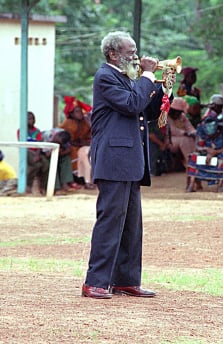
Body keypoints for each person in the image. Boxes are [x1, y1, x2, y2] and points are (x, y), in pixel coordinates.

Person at [82, 31, 173, 299]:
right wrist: (146, 76)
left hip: (129, 160)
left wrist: (162, 88)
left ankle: (125, 279)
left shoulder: (125, 77)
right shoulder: (106, 76)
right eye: (130, 52)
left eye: (135, 51)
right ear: (113, 54)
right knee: (110, 221)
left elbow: (149, 111)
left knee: (132, 225)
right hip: (113, 160)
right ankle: (95, 281)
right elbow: (132, 104)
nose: (136, 56)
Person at [186, 110, 223, 193]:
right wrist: (207, 150)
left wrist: (215, 152)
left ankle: (220, 185)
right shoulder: (201, 128)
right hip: (205, 151)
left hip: (220, 152)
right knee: (193, 157)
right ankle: (192, 184)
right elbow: (198, 146)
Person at [59, 96, 94, 189]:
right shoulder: (68, 123)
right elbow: (65, 138)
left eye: (80, 111)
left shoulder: (84, 122)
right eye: (77, 111)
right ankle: (76, 179)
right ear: (71, 113)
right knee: (75, 154)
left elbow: (89, 134)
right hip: (70, 146)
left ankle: (86, 179)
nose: (80, 113)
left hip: (82, 145)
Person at [40, 128, 80, 194]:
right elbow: (46, 154)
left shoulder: (64, 135)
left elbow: (69, 149)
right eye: (57, 142)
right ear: (56, 136)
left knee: (66, 158)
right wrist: (56, 152)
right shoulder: (47, 135)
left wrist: (61, 152)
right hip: (45, 154)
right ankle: (56, 187)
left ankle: (65, 183)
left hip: (58, 153)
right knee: (52, 161)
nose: (57, 143)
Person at [17, 111, 49, 193]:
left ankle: (43, 186)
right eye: (29, 119)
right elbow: (22, 143)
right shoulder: (21, 131)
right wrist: (34, 154)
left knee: (46, 164)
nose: (31, 121)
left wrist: (37, 154)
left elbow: (39, 143)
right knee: (36, 165)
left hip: (36, 151)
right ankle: (28, 185)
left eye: (32, 119)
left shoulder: (37, 131)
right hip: (26, 150)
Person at [166, 97, 196, 171]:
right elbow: (172, 130)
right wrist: (185, 133)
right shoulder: (165, 116)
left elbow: (189, 127)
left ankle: (195, 161)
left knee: (192, 139)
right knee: (184, 140)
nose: (179, 113)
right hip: (169, 140)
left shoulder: (182, 116)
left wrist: (193, 133)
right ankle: (189, 163)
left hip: (184, 137)